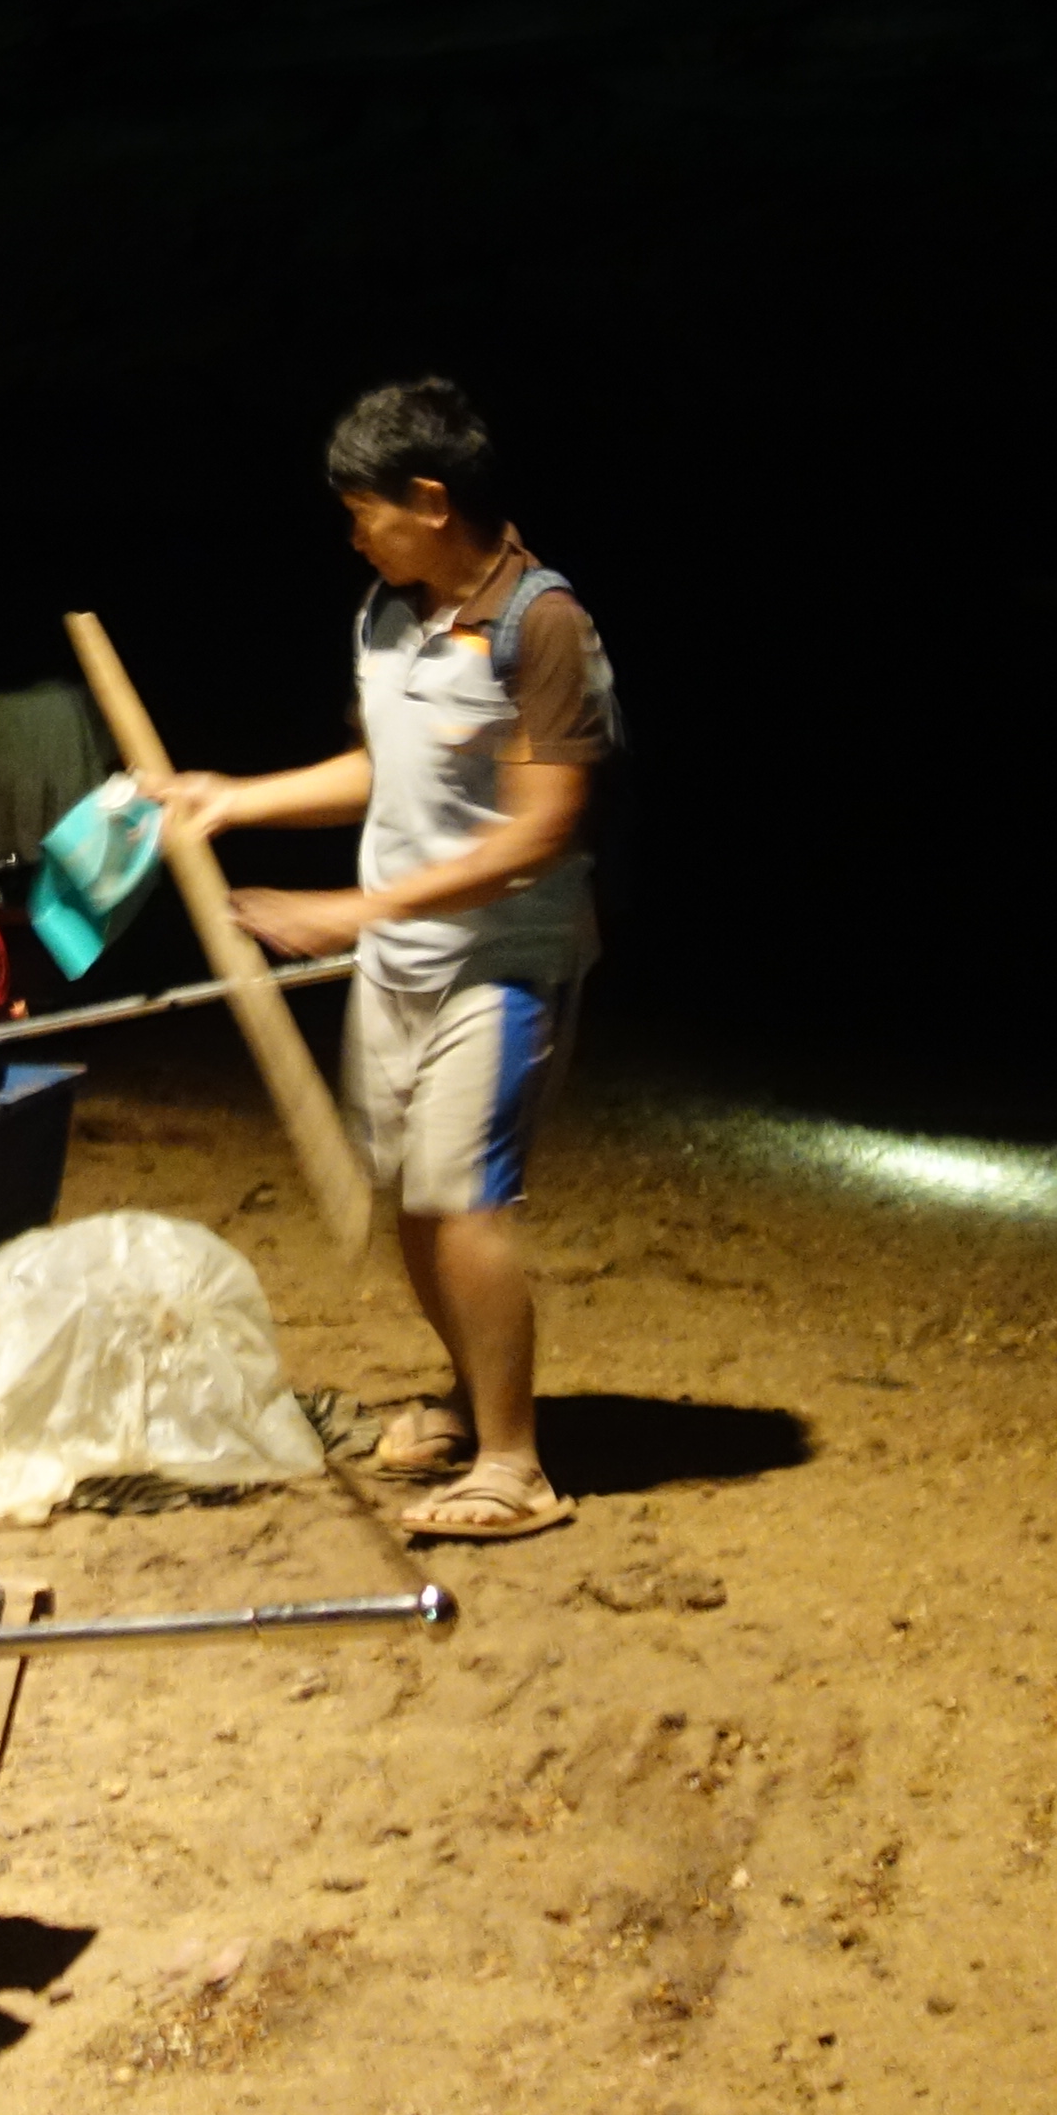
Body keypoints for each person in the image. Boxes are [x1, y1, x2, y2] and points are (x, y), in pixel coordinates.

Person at [149, 377, 621, 1545]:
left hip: (501, 964)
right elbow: (385, 770)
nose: (355, 535)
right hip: (398, 956)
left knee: (463, 1198)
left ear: (430, 499)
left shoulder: (542, 626)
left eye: (366, 511)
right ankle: (471, 1399)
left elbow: (540, 830)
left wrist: (349, 911)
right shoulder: (387, 613)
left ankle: (514, 1466)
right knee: (416, 1198)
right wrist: (236, 797)